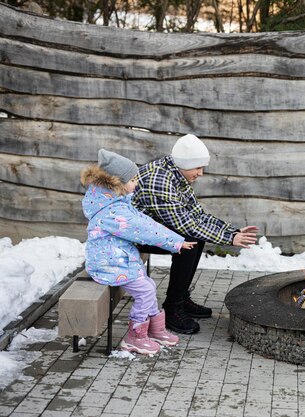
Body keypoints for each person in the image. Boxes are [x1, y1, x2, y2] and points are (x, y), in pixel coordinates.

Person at [132, 134, 258, 335]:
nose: (201, 173)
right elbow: (185, 224)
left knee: (194, 238)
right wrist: (229, 239)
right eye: (197, 168)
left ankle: (180, 298)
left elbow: (196, 214)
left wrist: (230, 231)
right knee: (187, 240)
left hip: (150, 229)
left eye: (202, 167)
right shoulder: (159, 180)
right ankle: (173, 307)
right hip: (131, 236)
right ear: (184, 163)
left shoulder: (175, 172)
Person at [81, 149, 196, 355]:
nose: (136, 183)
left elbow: (144, 221)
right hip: (108, 264)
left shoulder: (115, 202)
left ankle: (155, 329)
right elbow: (142, 229)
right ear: (116, 182)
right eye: (133, 179)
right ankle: (135, 336)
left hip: (118, 259)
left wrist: (175, 239)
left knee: (148, 285)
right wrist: (175, 242)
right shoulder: (113, 212)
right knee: (145, 291)